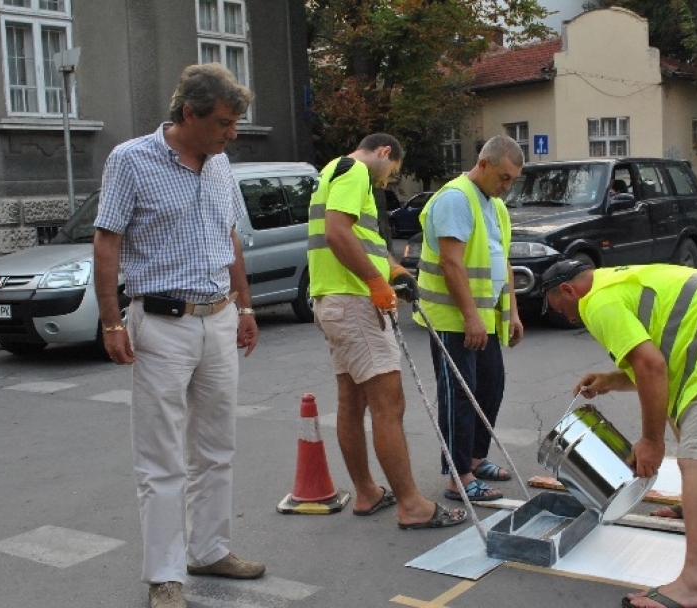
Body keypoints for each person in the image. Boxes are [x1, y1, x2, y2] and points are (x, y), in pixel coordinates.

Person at [93, 63, 265, 608]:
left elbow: (230, 238)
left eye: (236, 123)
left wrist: (245, 306)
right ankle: (165, 576)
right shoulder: (131, 160)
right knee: (161, 457)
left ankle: (210, 549)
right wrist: (112, 320)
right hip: (161, 324)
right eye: (223, 122)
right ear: (188, 113)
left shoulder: (219, 165)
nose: (232, 132)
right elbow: (106, 242)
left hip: (217, 318)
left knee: (217, 447)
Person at [539, 260, 697, 608]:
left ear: (568, 290)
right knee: (681, 422)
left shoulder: (597, 302)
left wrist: (651, 442)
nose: (566, 317)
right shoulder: (614, 283)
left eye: (561, 308)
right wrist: (610, 381)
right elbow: (655, 364)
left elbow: (651, 367)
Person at [307, 133, 467, 531]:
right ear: (383, 153)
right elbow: (338, 233)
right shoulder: (356, 170)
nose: (387, 181)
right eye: (392, 171)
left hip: (333, 299)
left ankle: (367, 492)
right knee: (388, 404)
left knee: (351, 399)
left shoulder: (332, 170)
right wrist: (375, 283)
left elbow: (364, 238)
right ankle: (412, 505)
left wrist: (394, 271)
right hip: (354, 301)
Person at [414, 135, 525, 502]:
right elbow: (451, 262)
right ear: (484, 164)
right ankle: (458, 477)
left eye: (512, 180)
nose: (507, 187)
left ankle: (476, 459)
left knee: (491, 388)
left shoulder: (495, 205)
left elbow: (502, 262)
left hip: (484, 318)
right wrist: (470, 317)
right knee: (459, 396)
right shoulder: (455, 198)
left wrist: (512, 312)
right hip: (452, 318)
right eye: (504, 177)